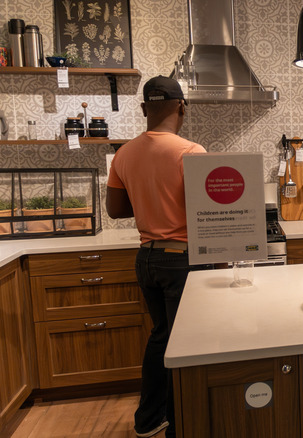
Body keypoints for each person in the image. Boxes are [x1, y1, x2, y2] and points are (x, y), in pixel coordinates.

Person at [106, 76, 207, 438]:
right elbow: (206, 215)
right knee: (184, 344)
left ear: (144, 108)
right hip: (182, 260)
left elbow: (115, 210)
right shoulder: (190, 152)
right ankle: (181, 425)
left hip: (146, 258)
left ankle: (149, 420)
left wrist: (149, 194)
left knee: (161, 337)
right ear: (182, 106)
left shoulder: (124, 153)